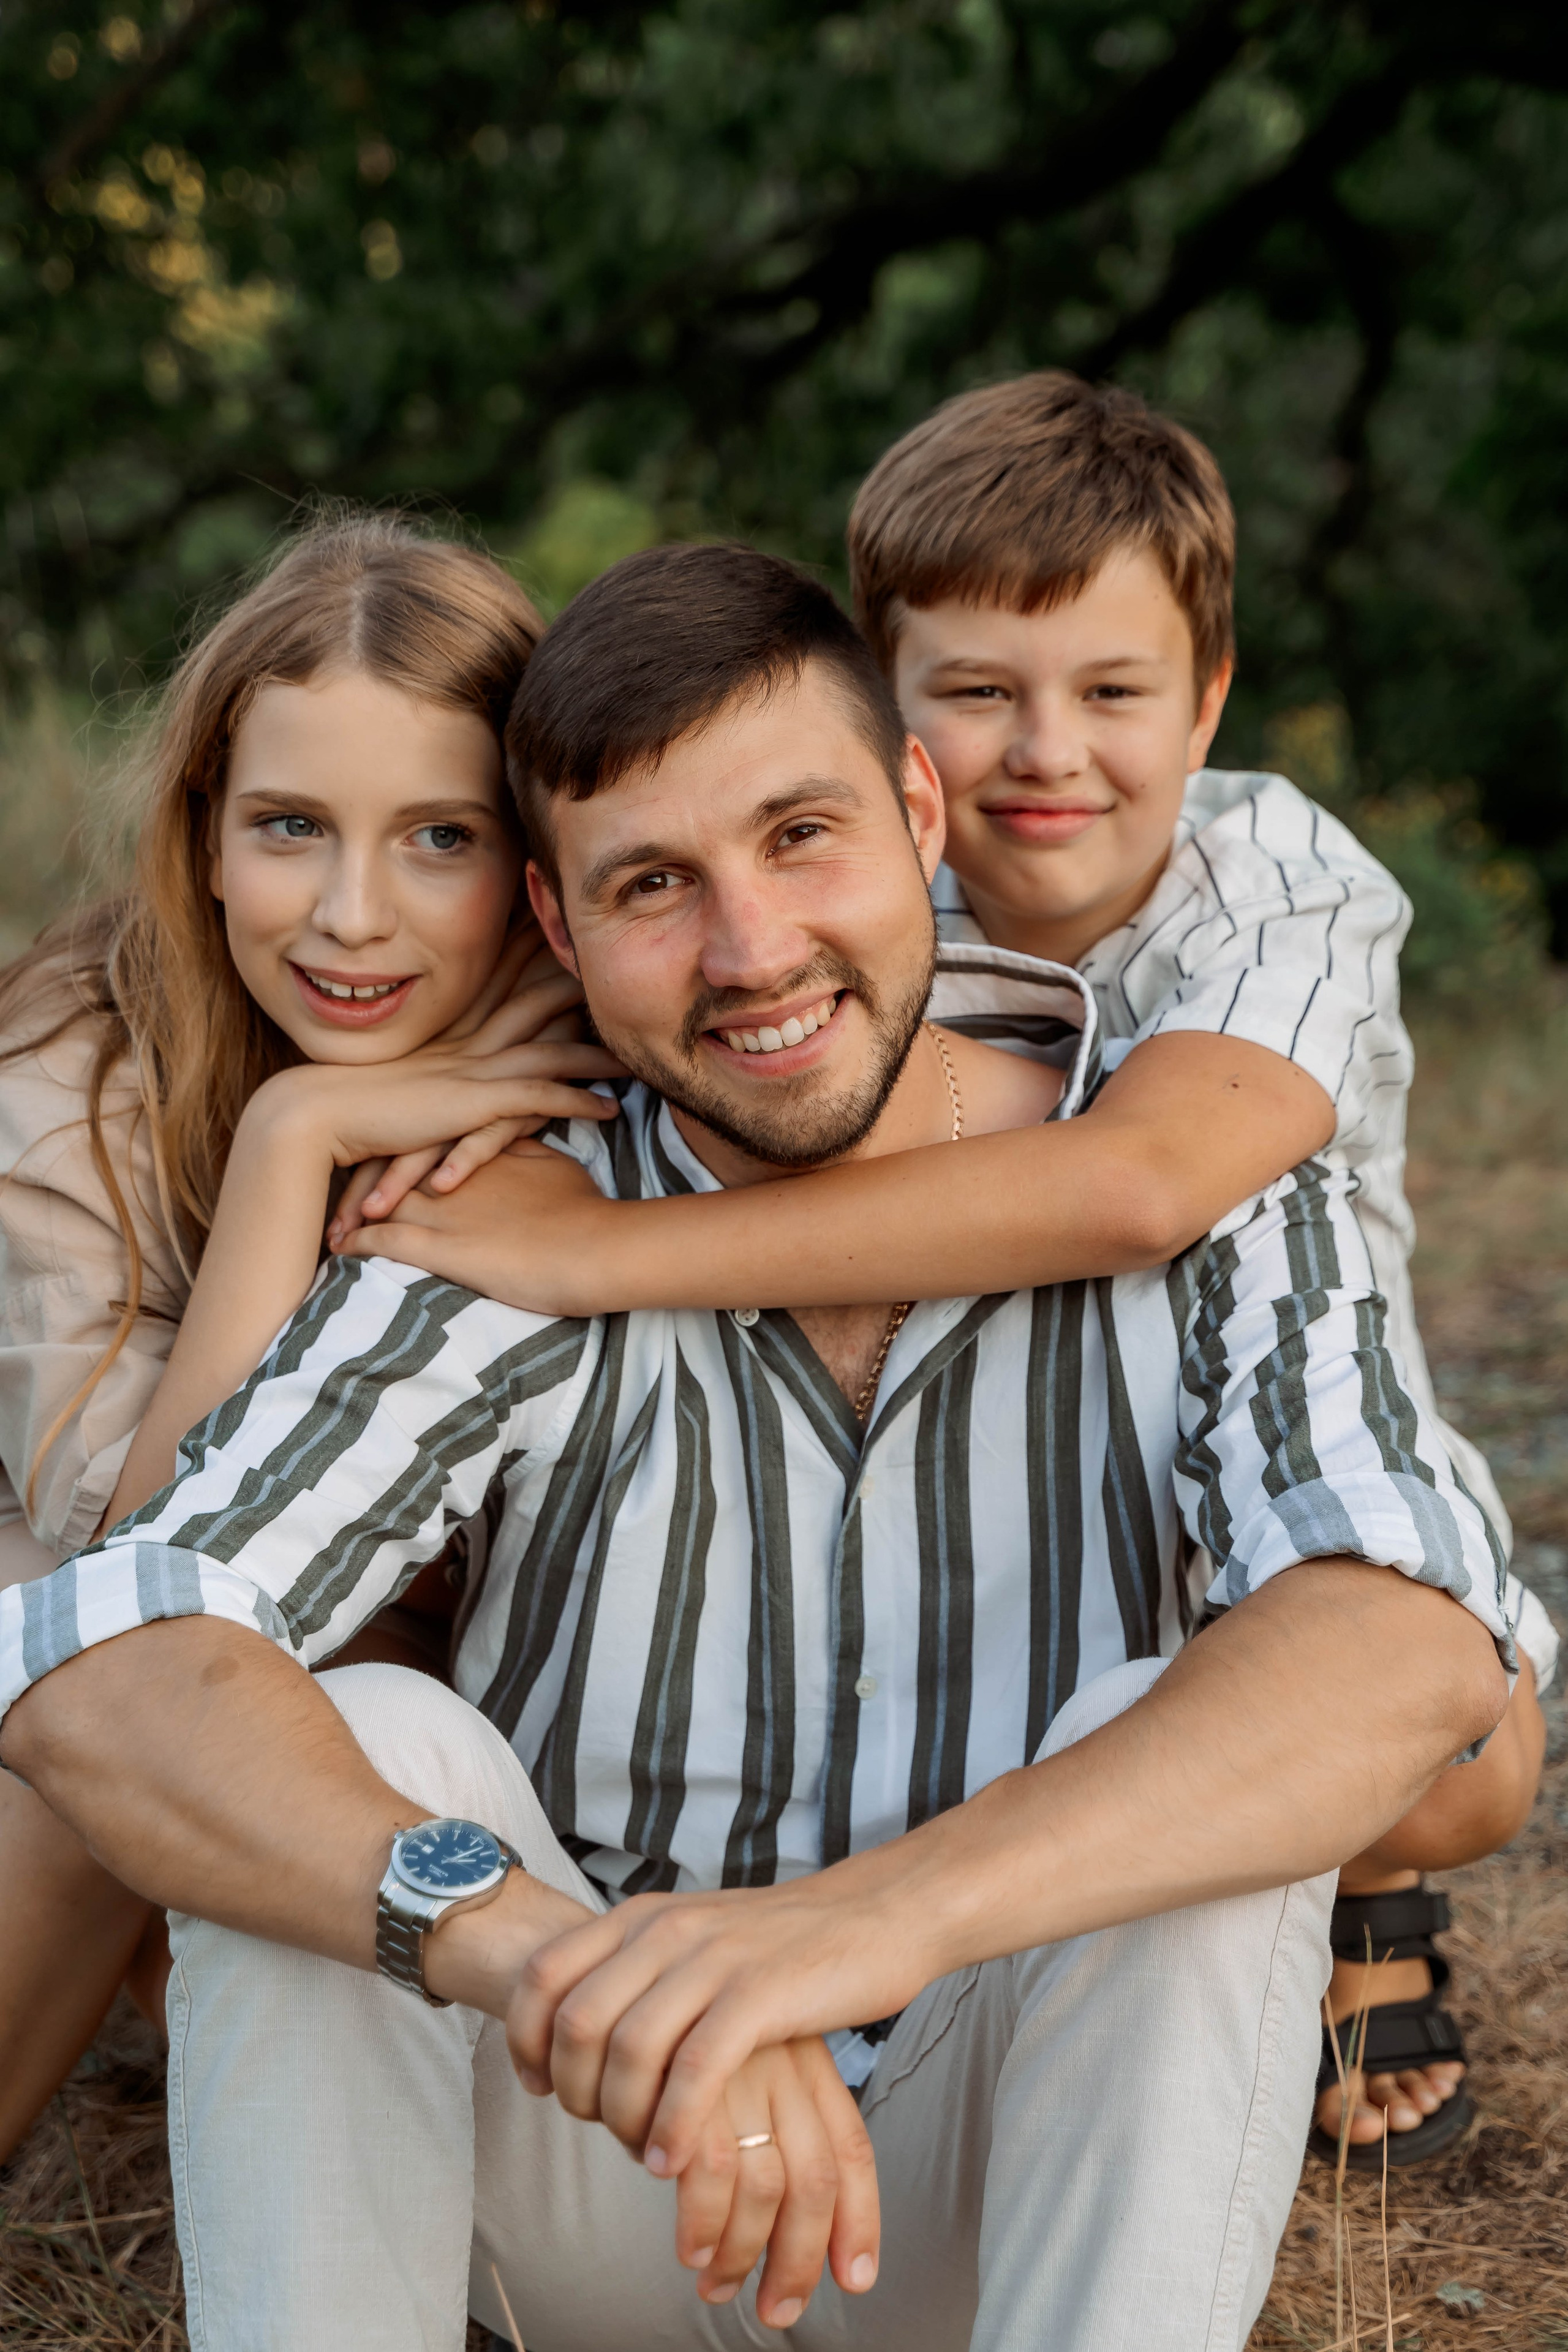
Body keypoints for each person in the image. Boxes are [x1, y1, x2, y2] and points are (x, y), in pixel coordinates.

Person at [0, 545, 1521, 2352]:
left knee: (1177, 1742)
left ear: (919, 813)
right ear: (558, 933)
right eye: (654, 884)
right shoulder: (512, 1215)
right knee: (365, 1739)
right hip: (604, 2145)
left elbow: (1413, 1642)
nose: (751, 950)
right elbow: (113, 1653)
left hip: (1002, 2170)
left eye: (802, 838)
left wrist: (858, 1931)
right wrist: (554, 1960)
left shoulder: (1201, 1177)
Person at [347, 377, 1555, 2166]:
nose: (1045, 751)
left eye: (1114, 692)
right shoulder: (824, 897)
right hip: (984, 1506)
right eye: (979, 692)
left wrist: (610, 1255)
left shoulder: (1278, 884)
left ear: (1207, 700)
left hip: (1265, 1436)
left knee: (1462, 1754)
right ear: (891, 727)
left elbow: (1139, 1188)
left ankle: (1347, 1906)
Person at [0, 510, 621, 2158]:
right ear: (201, 833)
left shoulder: (598, 1045)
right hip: (66, 1724)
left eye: (441, 838)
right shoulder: (77, 1078)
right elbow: (134, 1616)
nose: (354, 915)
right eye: (290, 826)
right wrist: (295, 1151)